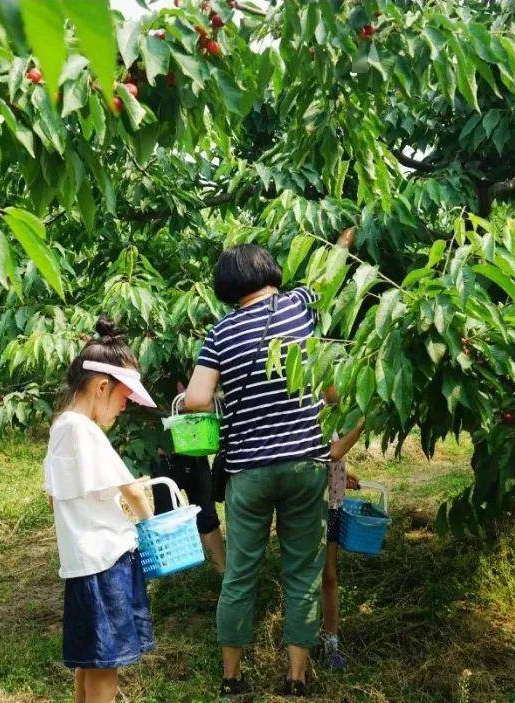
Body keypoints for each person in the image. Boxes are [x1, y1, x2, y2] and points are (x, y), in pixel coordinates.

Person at [183, 234, 359, 699]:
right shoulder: (301, 305)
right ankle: (295, 679)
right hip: (305, 462)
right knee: (302, 573)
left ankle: (232, 680)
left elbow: (198, 399)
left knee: (241, 572)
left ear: (227, 286)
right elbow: (331, 271)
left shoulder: (220, 333)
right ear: (269, 272)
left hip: (248, 470)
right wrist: (344, 238)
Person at [43, 317, 157, 703]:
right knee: (106, 666)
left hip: (81, 562)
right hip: (106, 562)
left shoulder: (61, 427)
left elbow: (56, 497)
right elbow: (135, 495)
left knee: (91, 661)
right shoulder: (84, 430)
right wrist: (151, 529)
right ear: (102, 387)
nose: (124, 408)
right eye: (124, 398)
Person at [150, 382, 226, 573]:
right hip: (163, 458)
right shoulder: (152, 379)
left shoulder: (195, 368)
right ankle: (175, 577)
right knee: (167, 517)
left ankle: (221, 572)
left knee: (206, 514)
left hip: (195, 453)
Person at [320, 424, 364, 670]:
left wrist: (342, 475)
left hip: (332, 504)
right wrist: (363, 423)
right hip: (313, 505)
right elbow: (332, 453)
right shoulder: (312, 408)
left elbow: (332, 456)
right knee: (317, 575)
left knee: (329, 575)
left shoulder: (330, 416)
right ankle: (305, 641)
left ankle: (330, 643)